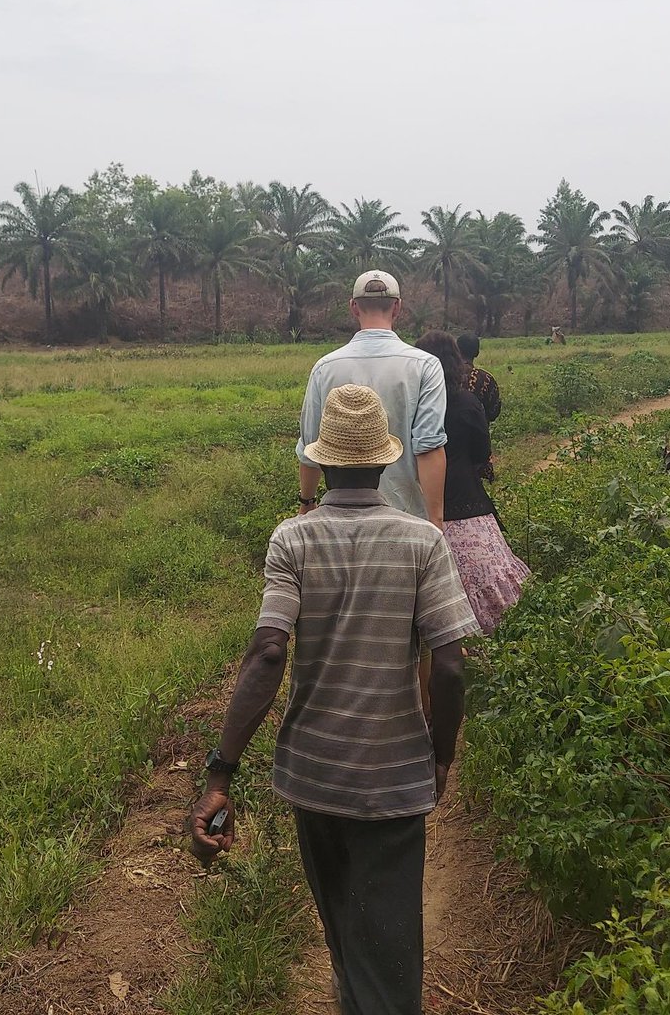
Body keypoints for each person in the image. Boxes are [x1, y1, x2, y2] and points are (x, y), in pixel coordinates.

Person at [191, 384, 479, 1015]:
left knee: (346, 933)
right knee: (388, 952)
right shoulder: (421, 543)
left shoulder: (291, 541)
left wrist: (220, 774)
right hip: (394, 779)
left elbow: (269, 653)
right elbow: (451, 666)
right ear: (384, 463)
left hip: (313, 775)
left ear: (321, 464)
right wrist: (439, 758)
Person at [297, 270, 447, 526]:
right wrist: (435, 521)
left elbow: (310, 445)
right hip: (406, 518)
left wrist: (307, 503)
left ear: (354, 307)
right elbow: (429, 447)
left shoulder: (325, 367)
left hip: (338, 519)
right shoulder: (425, 366)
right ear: (397, 307)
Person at [415, 332, 530, 635]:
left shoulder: (411, 405)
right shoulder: (467, 401)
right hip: (466, 502)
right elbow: (481, 451)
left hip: (418, 504)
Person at [456, 333, 501, 425]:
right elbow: (493, 412)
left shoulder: (444, 375)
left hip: (447, 434)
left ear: (456, 350)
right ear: (477, 353)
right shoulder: (486, 379)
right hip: (478, 433)